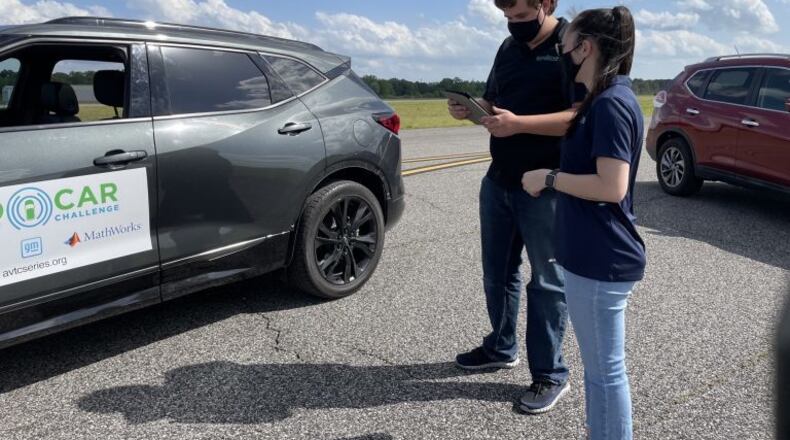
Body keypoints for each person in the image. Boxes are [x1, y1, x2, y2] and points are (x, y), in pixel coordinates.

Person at [448, 0, 582, 414]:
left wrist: (519, 123)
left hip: (546, 185)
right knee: (498, 271)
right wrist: (474, 112)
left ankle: (550, 374)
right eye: (507, 17)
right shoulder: (507, 48)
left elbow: (581, 114)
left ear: (547, 4)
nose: (514, 24)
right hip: (500, 180)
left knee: (547, 282)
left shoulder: (573, 43)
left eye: (522, 16)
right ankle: (501, 346)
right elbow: (495, 104)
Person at [521, 6, 644, 439]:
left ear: (585, 47)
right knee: (598, 371)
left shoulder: (611, 103)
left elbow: (612, 186)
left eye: (565, 45)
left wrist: (550, 178)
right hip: (591, 254)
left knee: (606, 372)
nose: (563, 53)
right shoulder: (602, 99)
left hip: (601, 256)